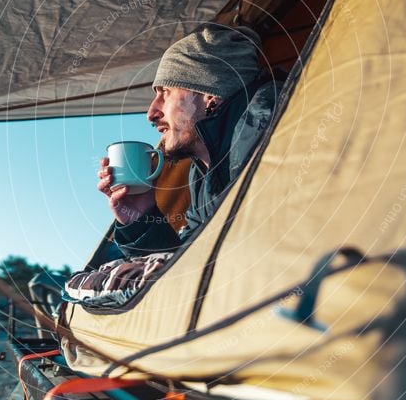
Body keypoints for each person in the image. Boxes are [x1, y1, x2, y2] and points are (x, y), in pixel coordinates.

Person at [97, 23, 283, 257]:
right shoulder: (203, 175)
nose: (151, 113)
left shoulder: (272, 138)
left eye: (165, 93)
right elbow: (191, 264)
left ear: (210, 94)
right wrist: (140, 216)